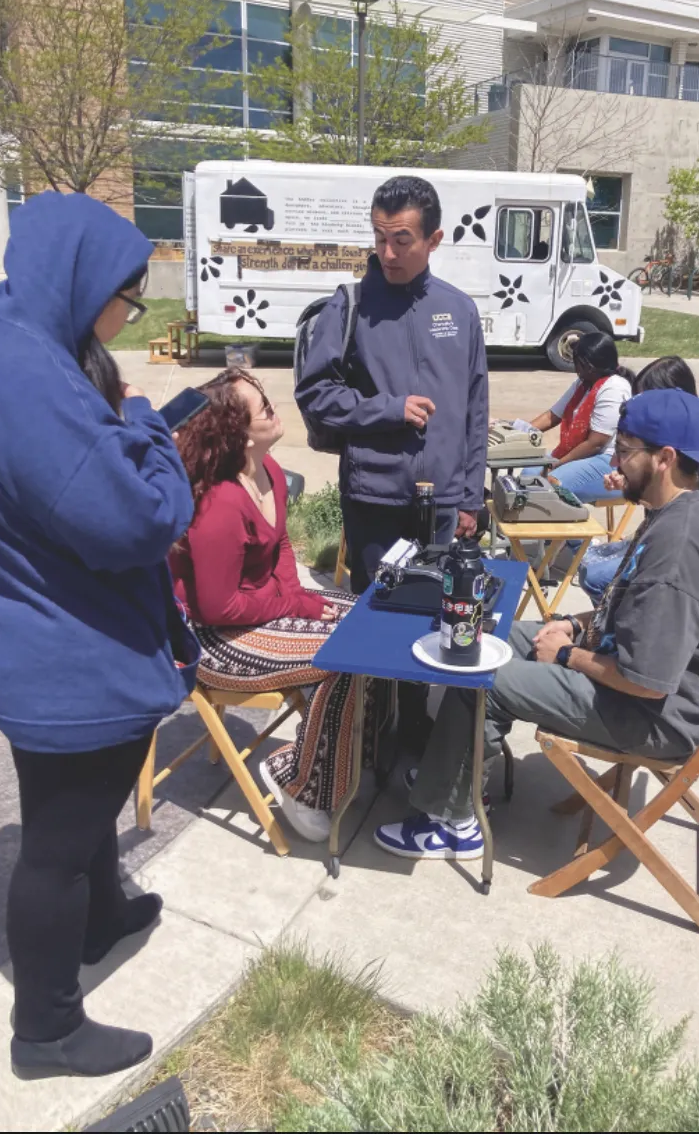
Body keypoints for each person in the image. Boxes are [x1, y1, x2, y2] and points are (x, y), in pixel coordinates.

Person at [0, 192, 198, 1077]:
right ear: (87, 282)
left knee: (80, 810)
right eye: (127, 300)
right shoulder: (31, 381)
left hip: (20, 632)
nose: (126, 317)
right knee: (53, 849)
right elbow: (142, 520)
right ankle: (45, 1031)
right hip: (66, 658)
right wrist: (147, 427)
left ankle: (103, 917)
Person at [374, 390, 699, 860]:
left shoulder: (680, 548)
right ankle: (452, 773)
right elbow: (634, 608)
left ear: (664, 458)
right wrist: (571, 623)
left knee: (486, 678)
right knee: (487, 635)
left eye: (626, 450)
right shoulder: (689, 507)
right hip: (634, 674)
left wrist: (568, 655)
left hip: (652, 716)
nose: (615, 459)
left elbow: (647, 682)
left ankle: (452, 819)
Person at [295, 174, 489, 742]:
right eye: (379, 237)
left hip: (445, 502)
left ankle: (415, 737)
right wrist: (388, 410)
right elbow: (316, 396)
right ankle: (367, 737)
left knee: (437, 621)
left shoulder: (459, 310)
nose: (387, 253)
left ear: (435, 239)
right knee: (378, 623)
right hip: (375, 497)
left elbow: (476, 408)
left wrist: (471, 496)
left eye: (402, 239)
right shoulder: (350, 305)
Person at [170, 368, 371, 843]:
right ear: (233, 430)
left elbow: (280, 545)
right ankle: (296, 780)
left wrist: (292, 599)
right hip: (211, 639)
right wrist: (291, 602)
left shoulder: (270, 471)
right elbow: (219, 606)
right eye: (259, 403)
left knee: (372, 622)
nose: (270, 404)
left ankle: (355, 756)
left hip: (257, 609)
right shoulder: (219, 503)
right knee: (345, 660)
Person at [579, 355, 699, 603]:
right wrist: (631, 482)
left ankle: (607, 620)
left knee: (597, 576)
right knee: (589, 564)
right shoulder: (680, 447)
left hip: (677, 547)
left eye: (645, 400)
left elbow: (681, 511)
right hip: (662, 534)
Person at [523, 330, 634, 503]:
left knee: (548, 487)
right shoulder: (583, 384)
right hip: (584, 456)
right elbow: (552, 416)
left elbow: (595, 444)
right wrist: (517, 434)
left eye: (576, 363)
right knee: (528, 474)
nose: (575, 368)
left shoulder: (614, 387)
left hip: (608, 461)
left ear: (587, 365)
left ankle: (559, 528)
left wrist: (557, 464)